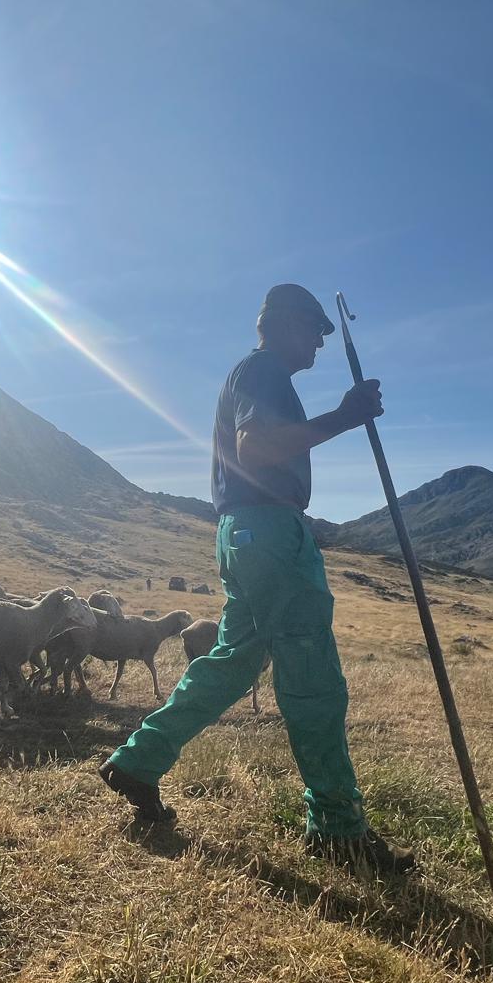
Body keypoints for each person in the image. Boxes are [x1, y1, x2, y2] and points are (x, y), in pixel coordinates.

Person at [99, 283, 414, 874]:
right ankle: (339, 829)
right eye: (316, 331)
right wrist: (345, 417)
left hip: (245, 531)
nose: (321, 343)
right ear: (288, 324)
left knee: (234, 662)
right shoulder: (265, 373)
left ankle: (139, 760)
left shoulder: (255, 375)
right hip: (271, 532)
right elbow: (257, 446)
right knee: (312, 675)